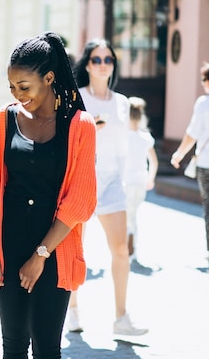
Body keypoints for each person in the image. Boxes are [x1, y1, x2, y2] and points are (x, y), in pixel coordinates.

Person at [0, 31, 97, 359]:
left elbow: (81, 200)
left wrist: (41, 255)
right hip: (8, 248)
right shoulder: (5, 119)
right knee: (13, 347)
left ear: (49, 78)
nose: (18, 95)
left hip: (55, 251)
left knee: (47, 350)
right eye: (12, 88)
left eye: (24, 87)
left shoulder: (80, 125)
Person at [68, 38, 148, 335]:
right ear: (88, 65)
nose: (103, 65)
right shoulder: (77, 97)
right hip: (83, 179)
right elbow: (67, 140)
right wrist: (90, 127)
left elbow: (125, 146)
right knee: (77, 249)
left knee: (120, 250)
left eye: (108, 60)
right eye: (97, 60)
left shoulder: (122, 102)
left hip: (114, 182)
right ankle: (72, 310)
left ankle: (121, 317)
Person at [170, 62, 209, 260]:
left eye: (204, 79)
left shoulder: (203, 104)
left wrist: (179, 154)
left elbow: (191, 134)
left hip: (205, 164)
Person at [125, 97, 158, 261]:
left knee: (124, 215)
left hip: (124, 181)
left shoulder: (122, 136)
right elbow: (153, 161)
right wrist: (151, 179)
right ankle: (132, 247)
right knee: (133, 215)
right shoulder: (145, 137)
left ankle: (126, 245)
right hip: (140, 181)